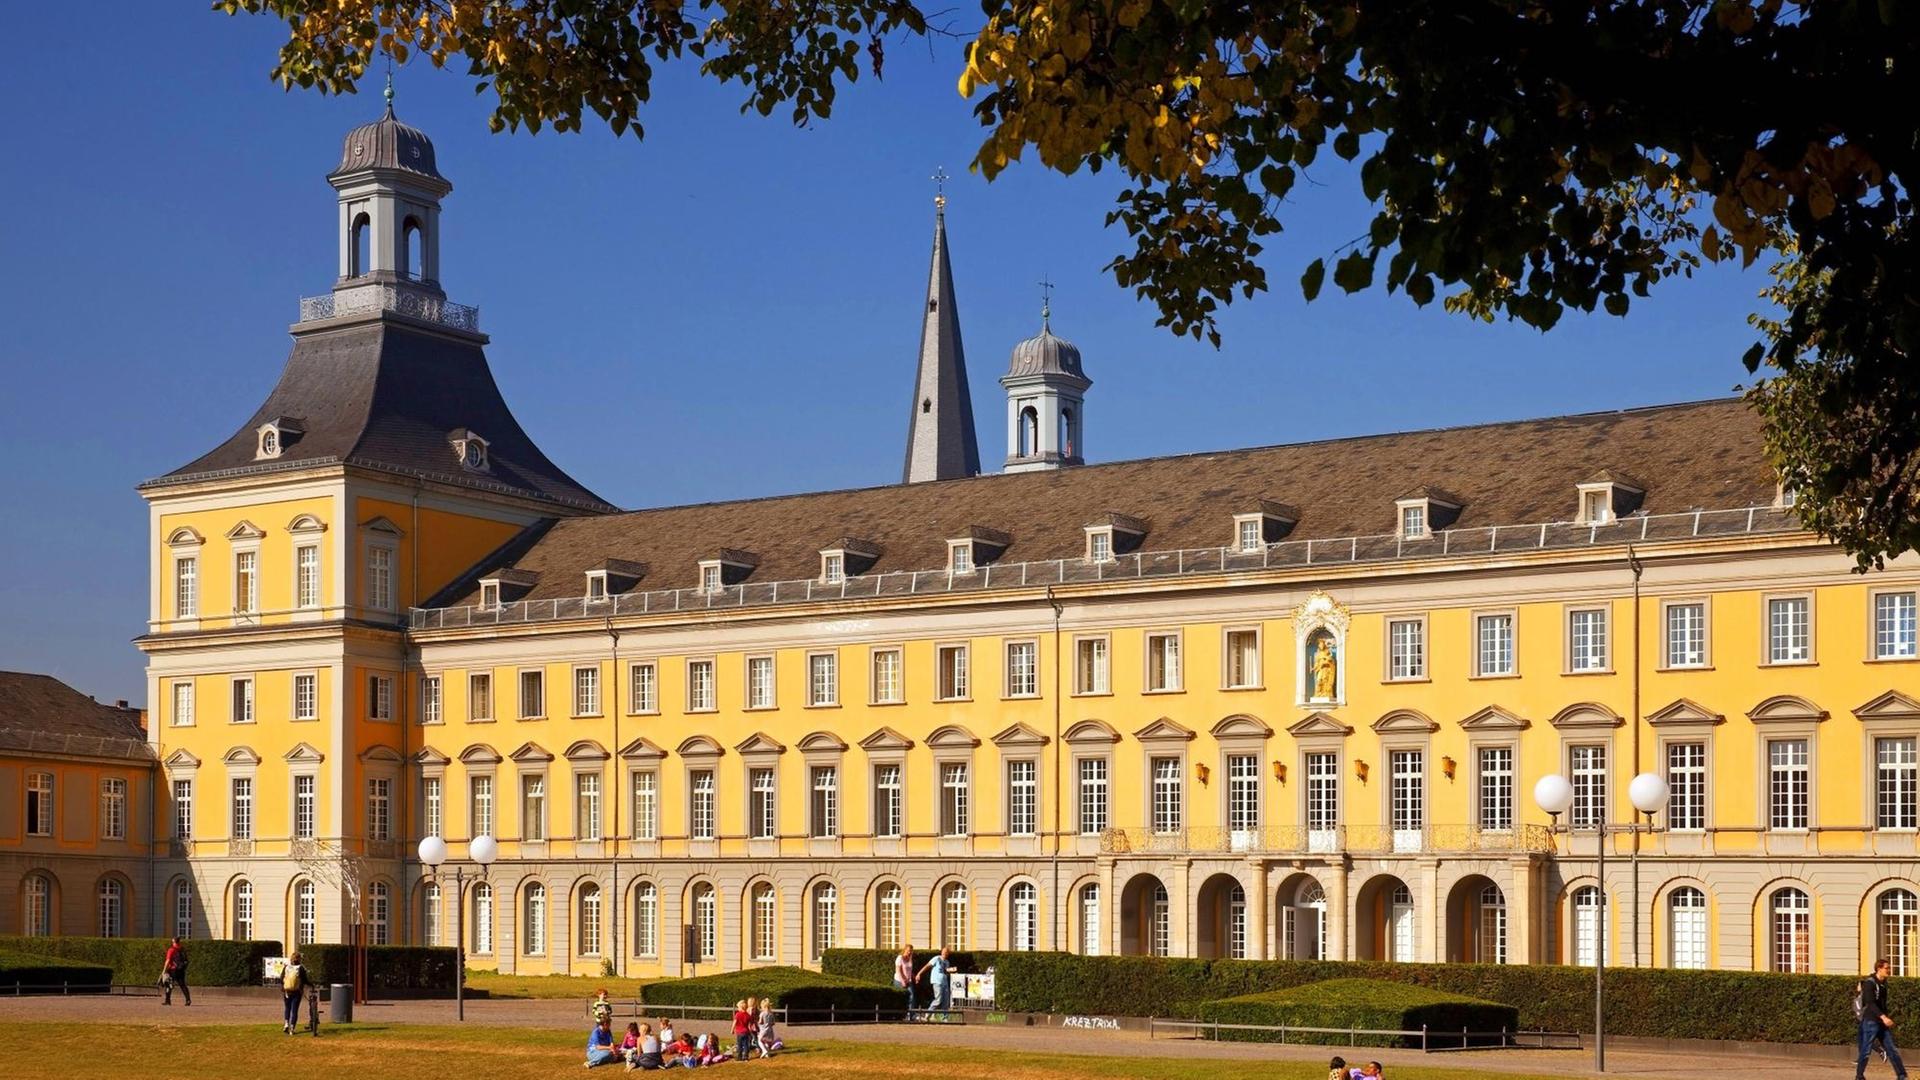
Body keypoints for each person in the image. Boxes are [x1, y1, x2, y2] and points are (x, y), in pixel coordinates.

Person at [1859, 958, 1909, 1080]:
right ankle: (1859, 1076)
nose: (1889, 970)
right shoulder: (1870, 983)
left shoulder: (1883, 983)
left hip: (1881, 1022)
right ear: (1879, 969)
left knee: (1892, 1049)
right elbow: (1870, 1003)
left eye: (1889, 968)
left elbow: (1882, 1004)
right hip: (1871, 1021)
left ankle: (1902, 1076)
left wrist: (1885, 1017)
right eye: (1886, 968)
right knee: (1866, 1051)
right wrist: (1883, 1017)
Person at [917, 947, 957, 1015]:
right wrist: (919, 974)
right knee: (938, 1000)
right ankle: (927, 1013)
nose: (945, 953)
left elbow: (946, 972)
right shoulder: (936, 958)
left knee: (946, 1001)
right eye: (944, 952)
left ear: (948, 954)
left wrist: (952, 971)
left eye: (947, 952)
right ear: (941, 952)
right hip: (937, 981)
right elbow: (927, 966)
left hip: (945, 983)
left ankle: (945, 1017)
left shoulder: (947, 962)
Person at [280, 953, 311, 1035]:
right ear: (299, 959)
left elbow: (281, 978)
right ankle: (292, 1028)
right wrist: (311, 985)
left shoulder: (286, 967)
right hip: (297, 991)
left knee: (287, 1008)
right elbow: (304, 980)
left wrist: (283, 987)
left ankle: (286, 1024)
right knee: (294, 1010)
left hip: (287, 991)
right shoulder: (300, 968)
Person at [161, 937, 191, 1006]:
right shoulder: (182, 949)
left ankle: (167, 1001)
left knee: (169, 985)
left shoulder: (171, 950)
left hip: (172, 970)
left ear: (174, 942)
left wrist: (164, 971)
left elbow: (168, 961)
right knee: (183, 985)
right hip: (181, 970)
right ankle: (188, 1000)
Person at [894, 947, 918, 1014]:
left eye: (911, 951)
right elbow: (898, 970)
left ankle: (910, 1015)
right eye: (908, 951)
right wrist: (902, 981)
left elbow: (910, 970)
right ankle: (900, 1015)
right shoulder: (900, 958)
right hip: (899, 981)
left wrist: (914, 977)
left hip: (908, 981)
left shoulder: (910, 958)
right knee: (901, 998)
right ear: (904, 950)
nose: (909, 952)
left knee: (912, 996)